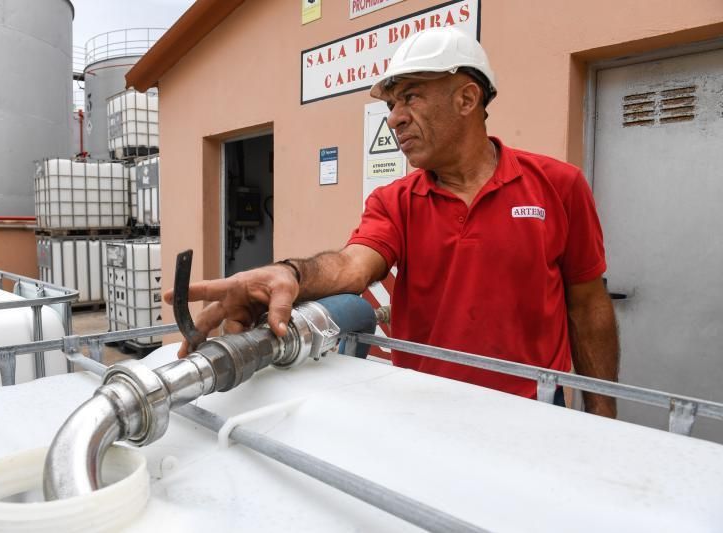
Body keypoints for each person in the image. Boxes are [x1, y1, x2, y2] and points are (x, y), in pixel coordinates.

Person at [165, 26, 619, 417]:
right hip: (424, 408)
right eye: (391, 105)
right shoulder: (395, 201)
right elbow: (352, 266)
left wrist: (603, 416)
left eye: (411, 97)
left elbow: (588, 304)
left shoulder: (558, 185)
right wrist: (289, 273)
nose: (396, 119)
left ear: (466, 98)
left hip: (534, 410)